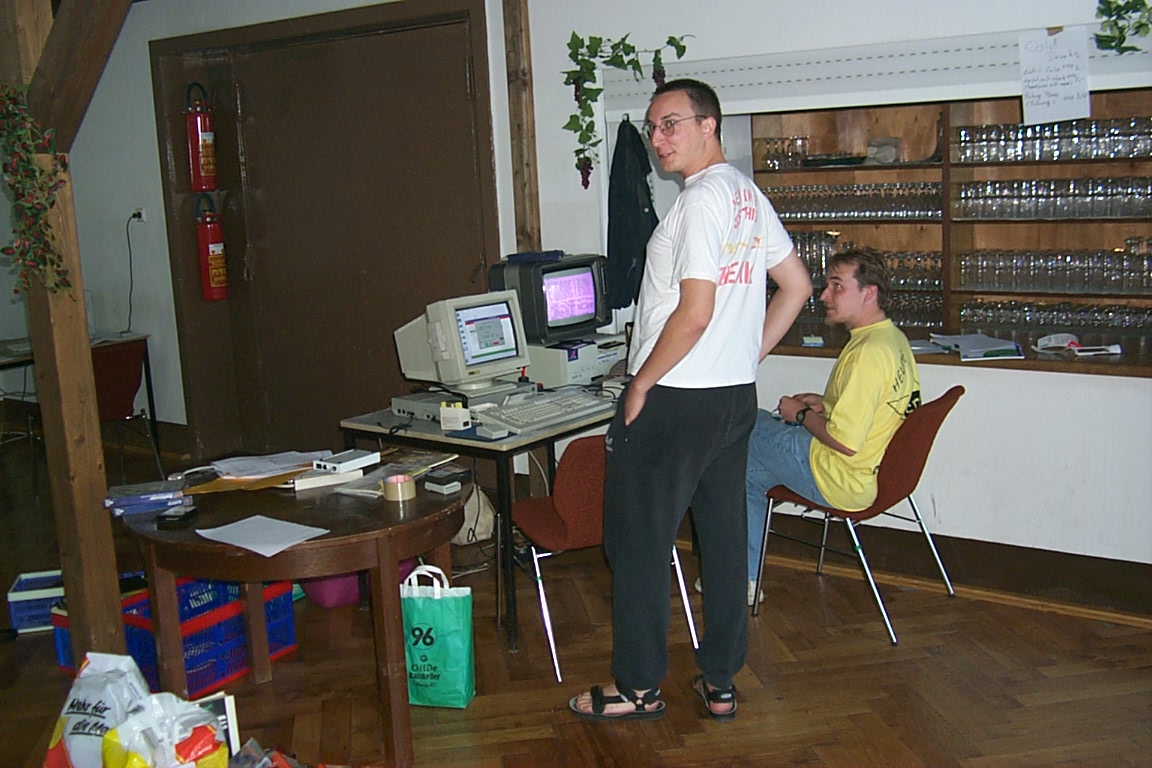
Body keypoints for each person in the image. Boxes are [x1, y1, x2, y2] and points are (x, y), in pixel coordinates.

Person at [569, 79, 812, 723]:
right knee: (723, 540)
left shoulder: (702, 200)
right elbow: (797, 285)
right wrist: (745, 357)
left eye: (671, 123)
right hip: (730, 399)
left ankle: (638, 687)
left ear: (710, 125)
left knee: (638, 543)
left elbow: (696, 310)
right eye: (653, 127)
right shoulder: (745, 195)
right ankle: (721, 680)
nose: (658, 138)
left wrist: (640, 382)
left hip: (676, 400)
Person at [745, 247, 922, 588]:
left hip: (842, 478)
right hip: (870, 471)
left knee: (745, 424)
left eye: (837, 286)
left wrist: (801, 415)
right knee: (747, 473)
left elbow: (845, 442)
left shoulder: (867, 354)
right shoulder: (890, 338)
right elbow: (880, 408)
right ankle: (744, 580)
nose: (824, 295)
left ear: (868, 293)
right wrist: (828, 405)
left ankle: (741, 578)